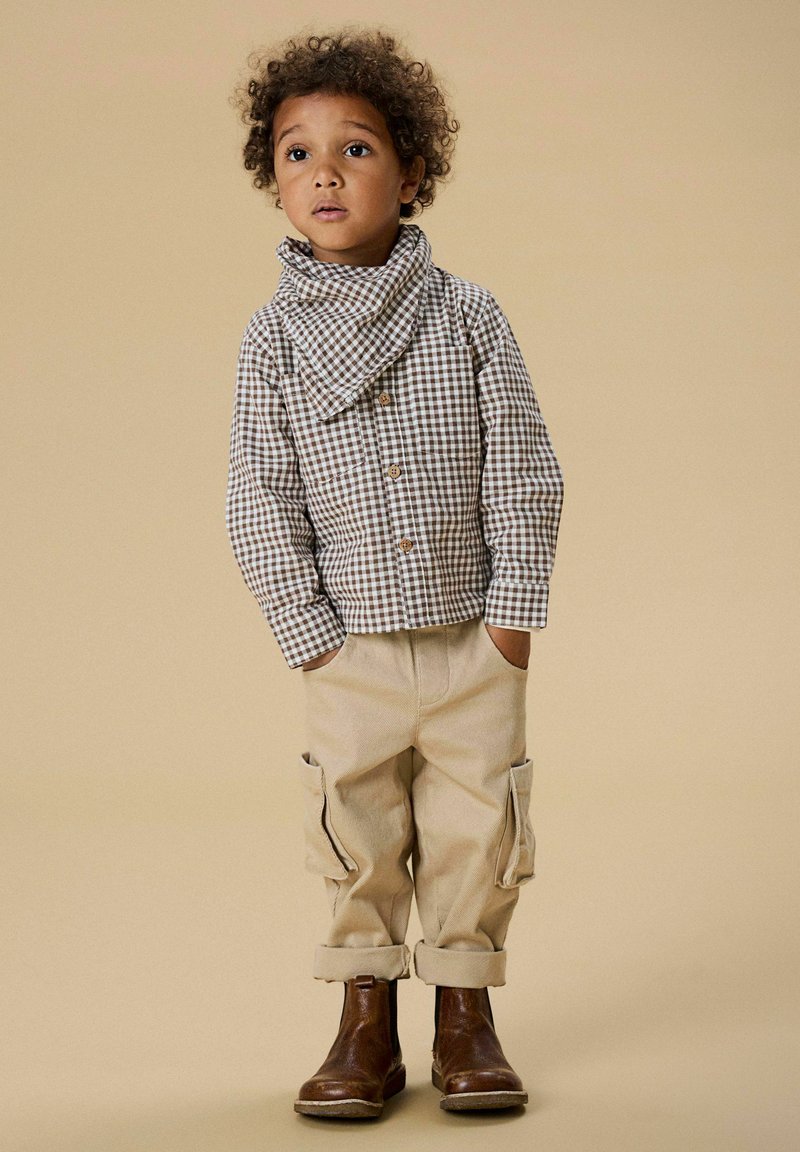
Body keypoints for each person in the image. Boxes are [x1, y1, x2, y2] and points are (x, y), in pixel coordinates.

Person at [226, 28, 565, 1119]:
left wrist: (510, 620)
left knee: (478, 833)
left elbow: (522, 464)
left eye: (356, 148)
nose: (324, 171)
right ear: (271, 180)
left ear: (411, 172)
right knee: (353, 835)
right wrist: (311, 632)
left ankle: (464, 1014)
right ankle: (361, 1022)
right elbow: (256, 498)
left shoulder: (466, 316)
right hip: (352, 648)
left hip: (472, 639)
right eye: (296, 153)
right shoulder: (273, 339)